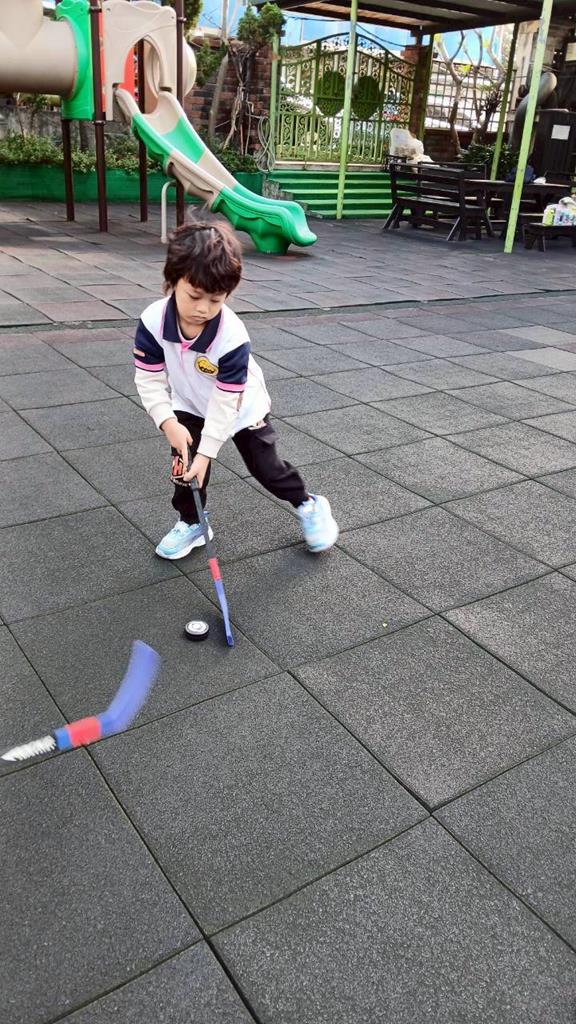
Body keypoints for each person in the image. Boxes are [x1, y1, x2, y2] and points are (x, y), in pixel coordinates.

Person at [133, 216, 339, 560]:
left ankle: (308, 503)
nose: (203, 309)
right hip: (188, 402)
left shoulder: (231, 336)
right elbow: (149, 379)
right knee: (185, 470)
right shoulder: (152, 322)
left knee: (265, 468)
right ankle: (193, 522)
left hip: (242, 407)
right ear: (172, 281)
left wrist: (207, 452)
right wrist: (168, 422)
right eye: (194, 296)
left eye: (216, 300)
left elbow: (226, 402)